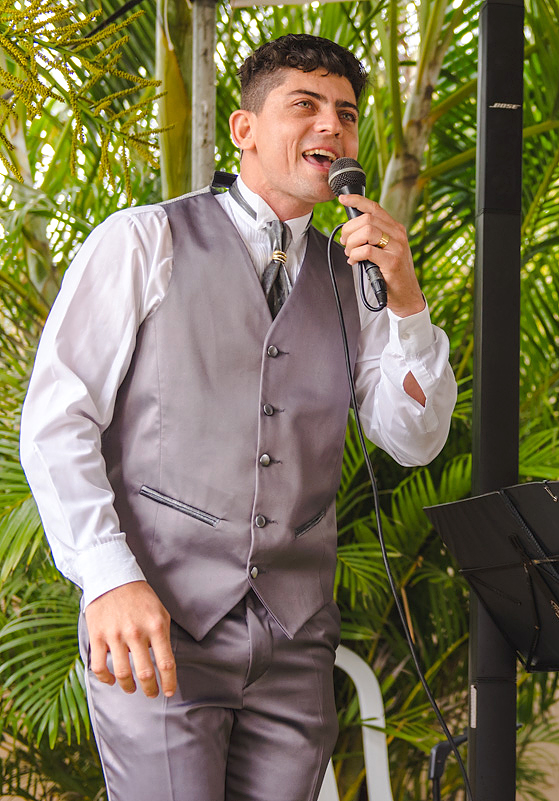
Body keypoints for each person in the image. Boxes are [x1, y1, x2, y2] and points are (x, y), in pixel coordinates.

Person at [19, 34, 456, 801]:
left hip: (295, 645)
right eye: (306, 105)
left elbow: (414, 437)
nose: (332, 127)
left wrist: (409, 299)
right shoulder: (143, 240)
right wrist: (107, 577)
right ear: (243, 129)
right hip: (156, 627)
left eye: (347, 115)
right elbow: (57, 420)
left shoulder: (360, 281)